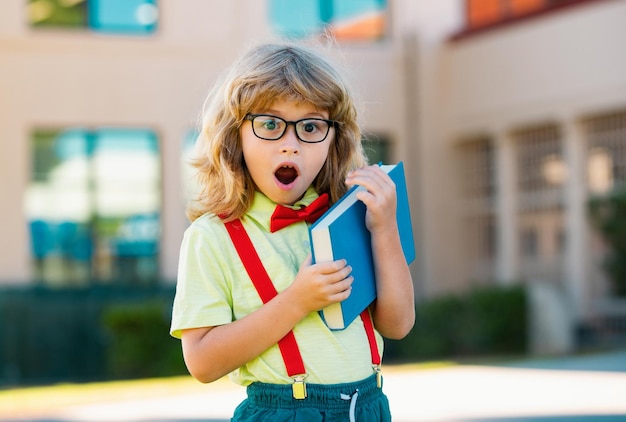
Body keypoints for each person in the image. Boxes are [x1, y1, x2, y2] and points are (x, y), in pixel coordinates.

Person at [170, 42, 415, 421]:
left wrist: (384, 230)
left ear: (335, 137)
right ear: (236, 135)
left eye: (311, 126)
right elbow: (202, 361)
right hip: (284, 411)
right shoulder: (212, 236)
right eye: (270, 124)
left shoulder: (351, 216)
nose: (291, 145)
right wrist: (297, 301)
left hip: (369, 408)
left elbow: (397, 325)